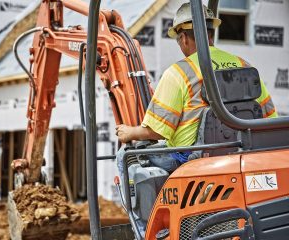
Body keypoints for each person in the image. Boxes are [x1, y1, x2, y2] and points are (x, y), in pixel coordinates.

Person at [115, 3, 277, 234]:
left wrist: (129, 132)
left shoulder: (179, 72)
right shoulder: (245, 66)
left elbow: (157, 131)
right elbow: (269, 116)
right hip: (240, 155)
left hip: (190, 160)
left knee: (126, 156)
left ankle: (149, 232)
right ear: (211, 33)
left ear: (183, 38)